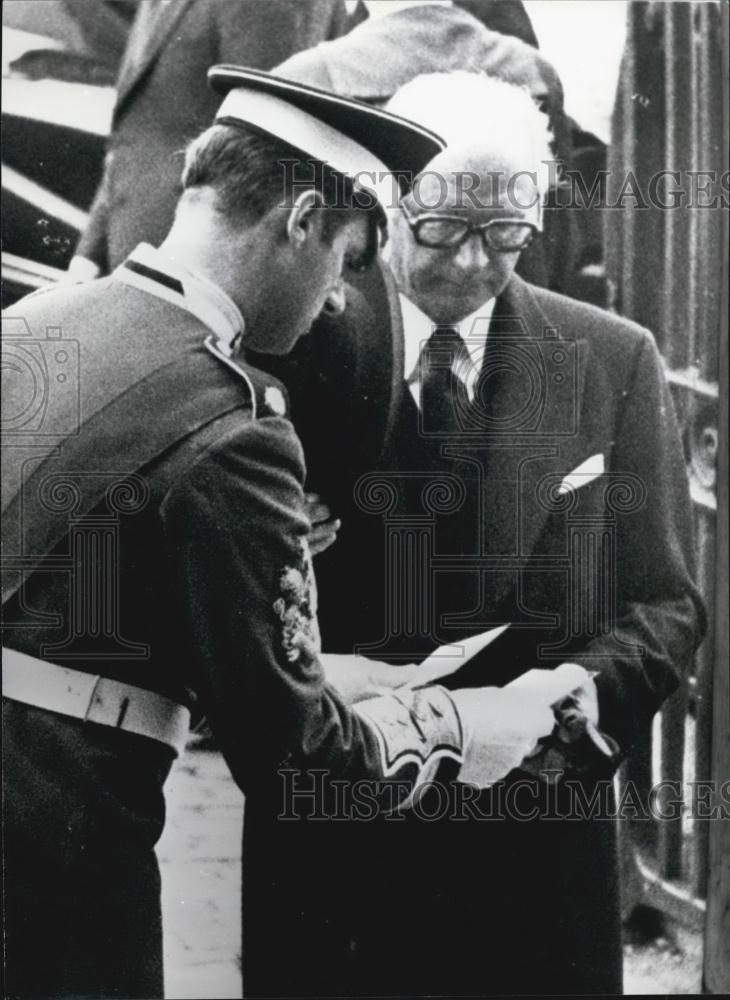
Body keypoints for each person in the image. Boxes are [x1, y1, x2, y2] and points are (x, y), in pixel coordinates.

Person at [1, 68, 566, 999]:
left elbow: (79, 609)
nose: (345, 300)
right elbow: (302, 762)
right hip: (63, 842)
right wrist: (462, 725)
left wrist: (302, 671)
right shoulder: (235, 424)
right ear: (303, 219)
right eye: (349, 258)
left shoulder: (36, 325)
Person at [241, 72, 705, 996]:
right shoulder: (293, 344)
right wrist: (268, 537)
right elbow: (211, 587)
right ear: (387, 204)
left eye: (506, 237)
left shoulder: (612, 359)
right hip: (342, 836)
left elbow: (665, 604)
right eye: (442, 230)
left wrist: (580, 687)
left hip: (538, 840)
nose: (469, 263)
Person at [68, 0, 349, 280]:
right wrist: (88, 254)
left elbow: (266, 143)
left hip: (195, 275)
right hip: (133, 262)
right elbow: (137, 130)